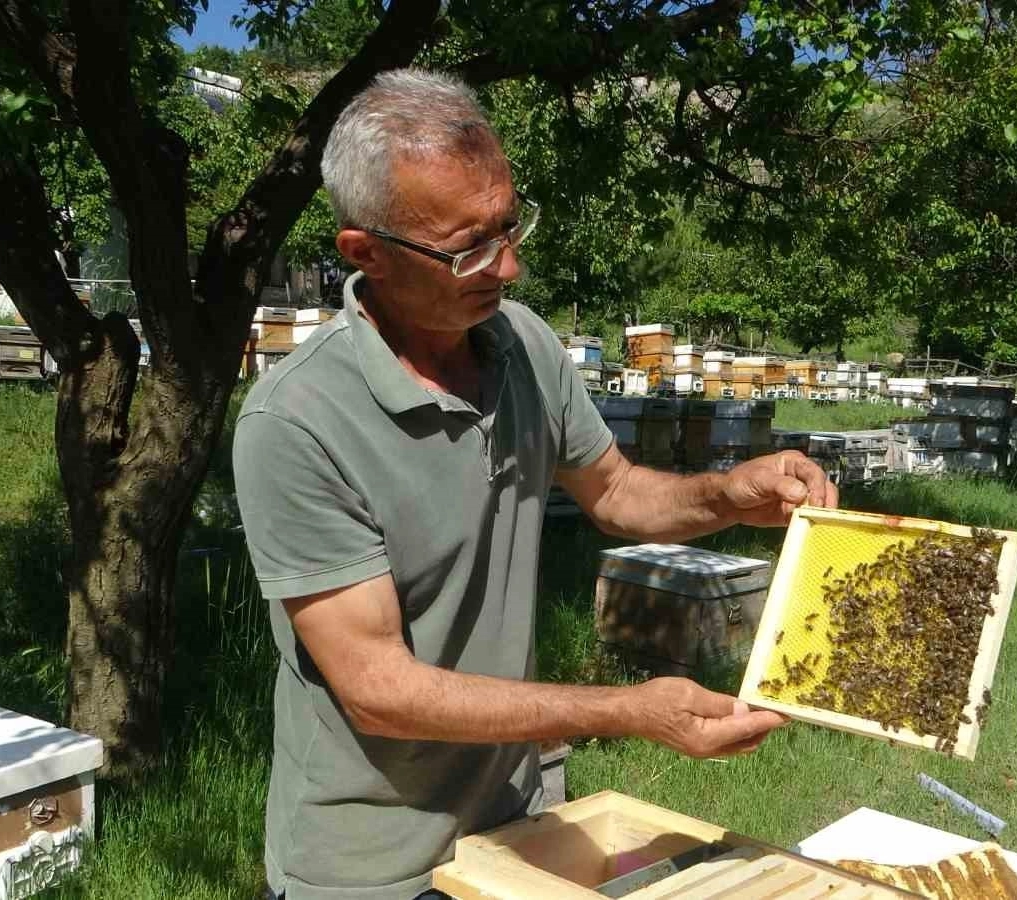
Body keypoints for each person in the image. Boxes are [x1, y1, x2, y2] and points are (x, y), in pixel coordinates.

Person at [232, 68, 839, 900]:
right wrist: (626, 710)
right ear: (364, 252)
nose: (508, 267)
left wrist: (726, 492)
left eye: (510, 227)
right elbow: (377, 690)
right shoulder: (296, 423)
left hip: (514, 821)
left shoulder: (522, 343)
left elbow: (617, 490)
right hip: (368, 862)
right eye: (469, 247)